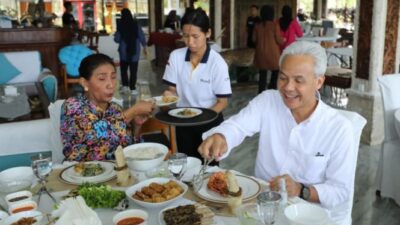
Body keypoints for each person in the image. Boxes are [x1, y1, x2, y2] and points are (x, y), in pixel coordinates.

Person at [198, 41, 355, 224]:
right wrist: (221, 136)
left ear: (318, 81)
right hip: (261, 208)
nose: (288, 87)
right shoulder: (268, 101)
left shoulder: (339, 128)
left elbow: (340, 190)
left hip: (307, 216)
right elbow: (238, 126)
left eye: (298, 80)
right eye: (283, 78)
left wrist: (300, 189)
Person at [162, 8, 232, 164]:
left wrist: (201, 117)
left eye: (195, 36)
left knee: (208, 170)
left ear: (207, 33)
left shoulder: (217, 63)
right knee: (185, 168)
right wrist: (167, 96)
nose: (190, 42)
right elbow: (171, 89)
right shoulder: (176, 56)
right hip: (182, 122)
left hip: (209, 124)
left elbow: (222, 101)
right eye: (185, 36)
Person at [60, 54, 154, 161]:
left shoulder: (115, 108)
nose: (111, 84)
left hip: (117, 173)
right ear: (84, 82)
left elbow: (129, 148)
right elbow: (95, 142)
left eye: (113, 77)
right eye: (102, 78)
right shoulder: (73, 106)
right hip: (82, 173)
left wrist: (137, 125)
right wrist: (133, 111)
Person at [114, 8, 147, 94]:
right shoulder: (136, 25)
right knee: (133, 70)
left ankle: (125, 86)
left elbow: (117, 39)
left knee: (123, 69)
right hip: (134, 51)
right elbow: (142, 36)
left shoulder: (121, 25)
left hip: (123, 52)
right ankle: (133, 88)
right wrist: (144, 45)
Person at [253, 5, 283, 92]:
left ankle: (261, 93)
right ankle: (271, 90)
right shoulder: (274, 25)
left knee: (262, 75)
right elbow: (279, 41)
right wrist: (283, 39)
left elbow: (254, 39)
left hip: (260, 54)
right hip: (273, 54)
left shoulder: (257, 26)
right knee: (275, 72)